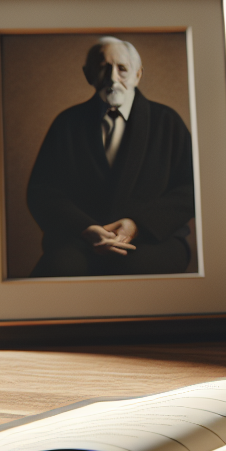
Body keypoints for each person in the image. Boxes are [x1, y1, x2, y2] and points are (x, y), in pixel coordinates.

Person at [26, 36, 195, 277]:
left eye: (122, 69)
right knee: (58, 269)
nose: (112, 78)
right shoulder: (66, 124)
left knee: (135, 272)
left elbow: (191, 189)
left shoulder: (167, 122)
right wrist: (85, 228)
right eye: (104, 68)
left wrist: (137, 226)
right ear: (88, 74)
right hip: (80, 240)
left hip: (153, 239)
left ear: (138, 75)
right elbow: (41, 191)